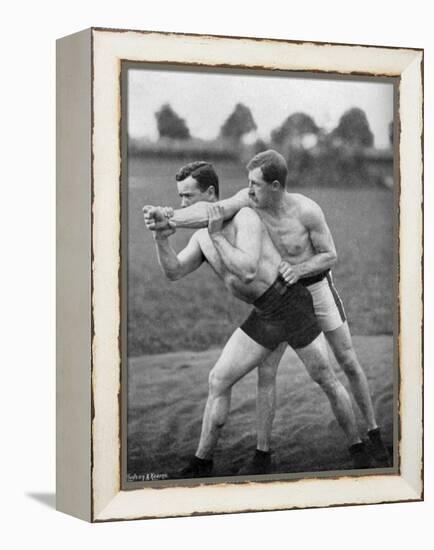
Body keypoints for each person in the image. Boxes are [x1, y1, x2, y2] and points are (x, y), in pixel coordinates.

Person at [144, 152, 391, 470]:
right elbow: (175, 271)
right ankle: (210, 460)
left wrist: (216, 234)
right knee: (222, 378)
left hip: (294, 299)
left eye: (187, 197)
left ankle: (363, 444)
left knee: (329, 374)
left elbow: (248, 270)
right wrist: (162, 235)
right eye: (179, 198)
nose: (181, 204)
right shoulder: (217, 224)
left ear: (209, 195)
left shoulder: (253, 217)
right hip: (266, 310)